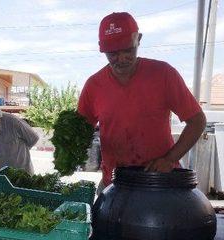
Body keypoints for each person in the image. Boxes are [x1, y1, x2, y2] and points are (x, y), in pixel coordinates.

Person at [78, 12, 206, 192]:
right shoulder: (93, 85)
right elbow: (80, 132)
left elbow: (197, 121)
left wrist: (169, 159)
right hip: (114, 185)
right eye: (113, 53)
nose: (121, 59)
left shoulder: (163, 74)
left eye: (128, 50)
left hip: (159, 183)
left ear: (139, 40)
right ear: (102, 49)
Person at [0, 98, 39, 174]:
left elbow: (34, 138)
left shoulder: (13, 121)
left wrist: (20, 152)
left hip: (22, 172)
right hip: (0, 175)